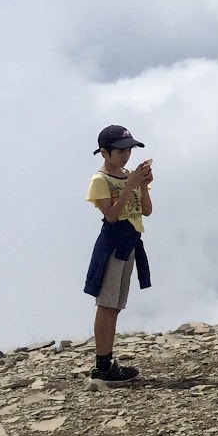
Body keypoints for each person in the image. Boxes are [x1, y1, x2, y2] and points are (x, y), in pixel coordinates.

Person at [83, 124, 154, 383]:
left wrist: (142, 185)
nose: (126, 155)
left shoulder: (128, 175)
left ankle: (107, 363)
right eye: (120, 151)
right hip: (113, 244)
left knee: (115, 305)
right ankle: (103, 366)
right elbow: (111, 215)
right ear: (105, 152)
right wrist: (131, 185)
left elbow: (146, 211)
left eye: (128, 150)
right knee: (107, 304)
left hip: (129, 243)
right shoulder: (100, 180)